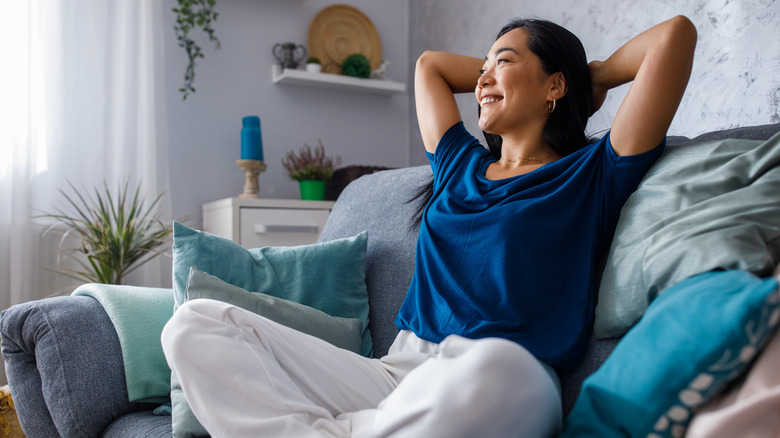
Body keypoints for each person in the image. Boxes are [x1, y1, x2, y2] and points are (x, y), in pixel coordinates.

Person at [162, 15, 697, 438]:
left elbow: (673, 37)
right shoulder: (457, 165)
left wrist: (587, 76)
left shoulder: (593, 173)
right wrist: (503, 71)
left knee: (501, 371)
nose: (483, 78)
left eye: (502, 62)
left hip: (502, 373)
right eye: (483, 66)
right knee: (195, 325)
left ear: (554, 84)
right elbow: (428, 67)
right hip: (397, 371)